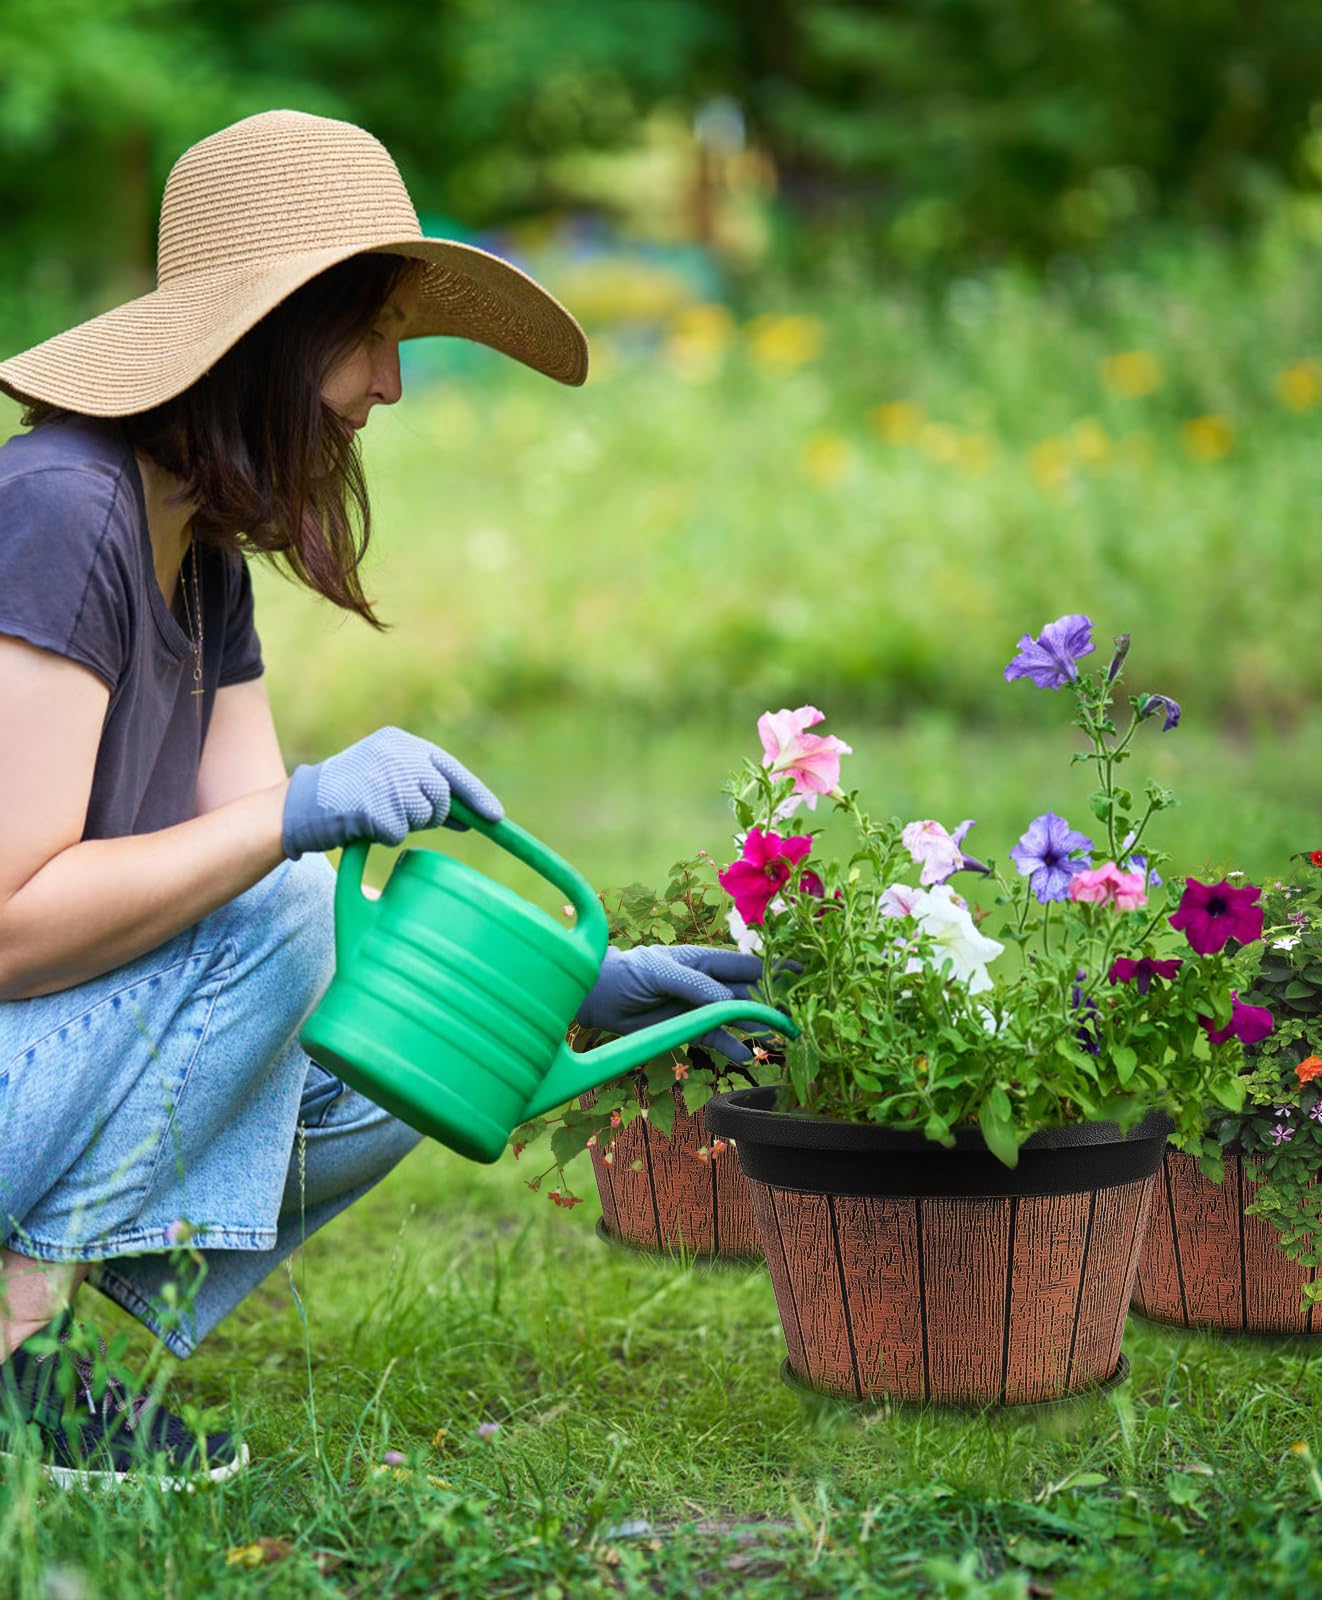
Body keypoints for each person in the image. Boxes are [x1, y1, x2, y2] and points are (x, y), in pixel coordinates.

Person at [0, 109, 767, 1488]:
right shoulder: (63, 509)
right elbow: (10, 924)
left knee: (398, 1046)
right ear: (278, 336)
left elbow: (298, 916)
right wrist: (301, 815)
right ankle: (12, 1346)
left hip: (40, 1065)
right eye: (372, 336)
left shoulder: (199, 561)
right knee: (287, 888)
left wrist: (585, 986)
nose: (393, 387)